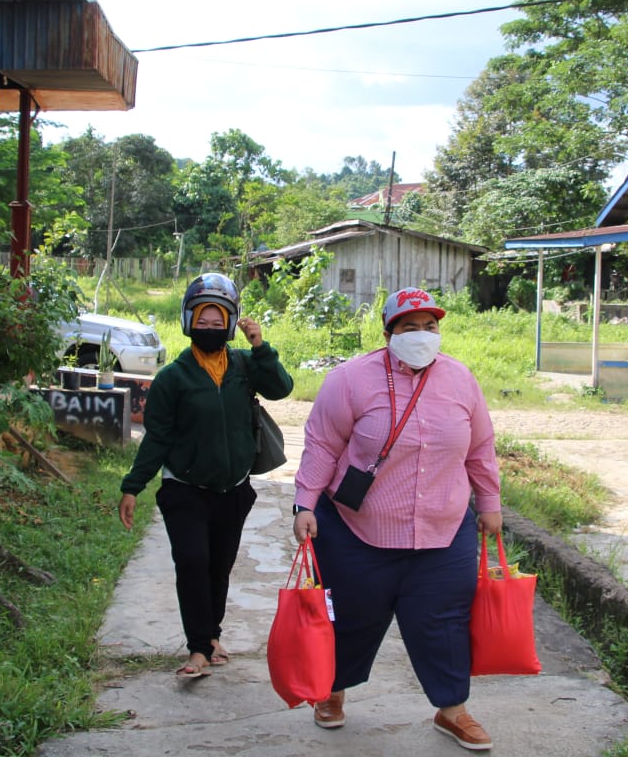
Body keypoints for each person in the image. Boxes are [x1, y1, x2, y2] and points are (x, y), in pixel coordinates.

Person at [292, 286, 503, 751]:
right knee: (351, 617)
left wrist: (489, 503)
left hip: (443, 531)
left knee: (444, 620)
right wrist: (305, 503)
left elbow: (480, 447)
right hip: (357, 530)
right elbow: (322, 444)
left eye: (430, 326)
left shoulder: (461, 380)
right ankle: (332, 691)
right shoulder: (350, 379)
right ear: (389, 334)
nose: (422, 335)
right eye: (410, 327)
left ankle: (452, 710)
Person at [118, 272, 293, 678]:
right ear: (188, 321)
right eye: (203, 321)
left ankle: (212, 637)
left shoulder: (244, 365)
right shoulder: (172, 378)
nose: (210, 328)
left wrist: (261, 347)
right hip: (185, 488)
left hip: (233, 489)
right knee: (193, 561)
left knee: (218, 567)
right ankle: (198, 648)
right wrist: (132, 486)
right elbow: (157, 437)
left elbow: (282, 388)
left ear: (230, 325)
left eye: (218, 322)